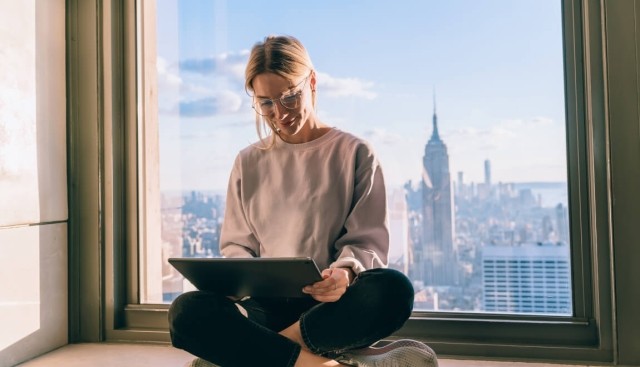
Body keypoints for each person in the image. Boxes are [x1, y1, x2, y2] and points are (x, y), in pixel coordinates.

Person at [168, 35, 438, 367]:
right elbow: (238, 246)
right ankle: (323, 363)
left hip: (329, 309)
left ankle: (257, 355)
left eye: (289, 98)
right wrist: (236, 280)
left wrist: (343, 275)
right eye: (266, 102)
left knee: (393, 290)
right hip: (264, 307)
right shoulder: (247, 161)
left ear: (311, 82)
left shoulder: (355, 152)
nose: (280, 114)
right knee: (186, 312)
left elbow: (366, 243)